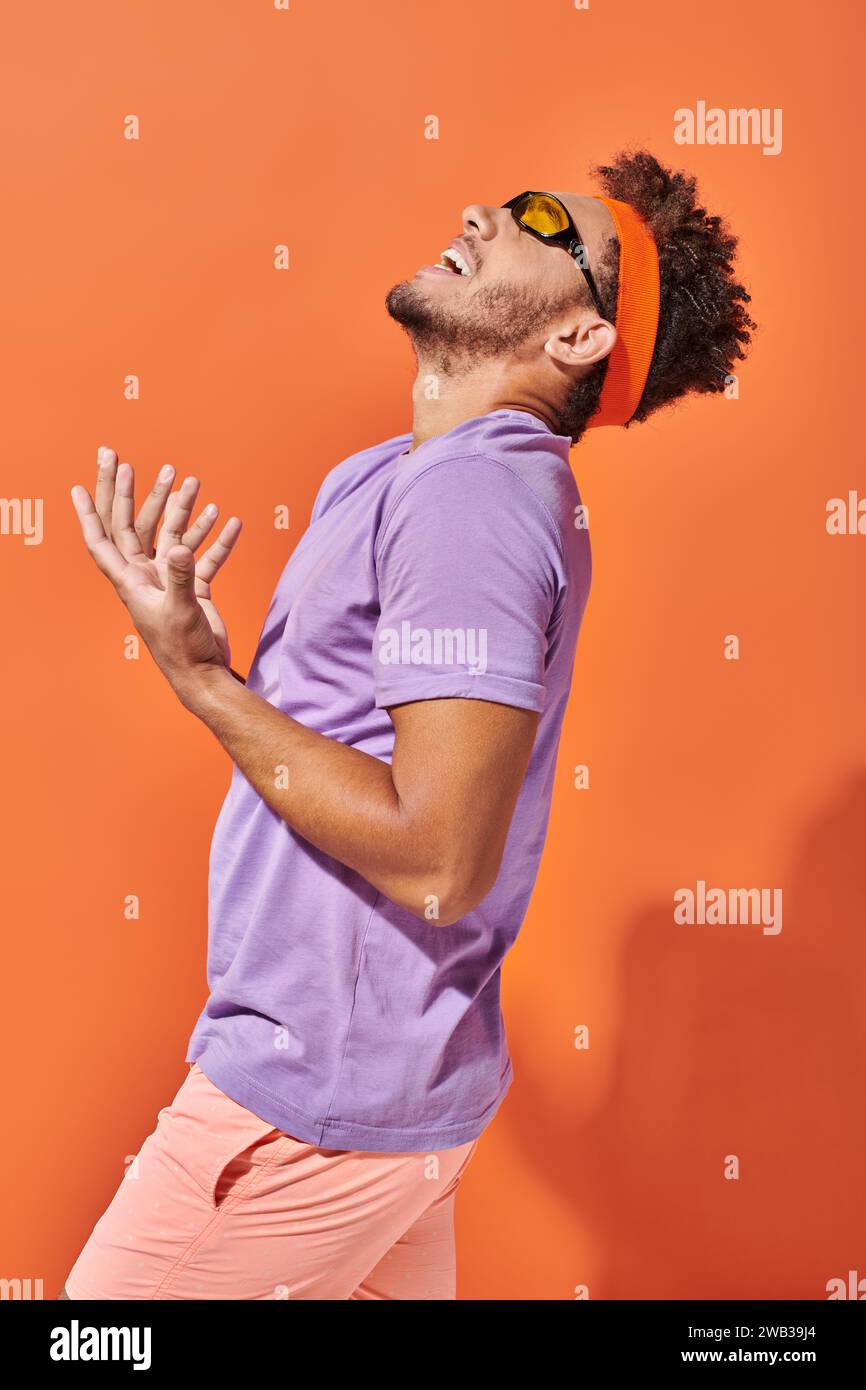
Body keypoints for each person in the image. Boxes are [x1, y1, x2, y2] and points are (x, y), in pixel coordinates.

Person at [62, 150, 754, 1300]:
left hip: (308, 1104)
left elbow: (438, 853)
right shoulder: (402, 473)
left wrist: (205, 682)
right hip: (382, 1101)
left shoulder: (471, 496)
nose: (487, 212)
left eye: (542, 222)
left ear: (580, 340)